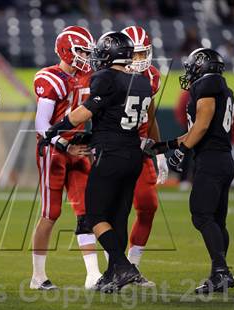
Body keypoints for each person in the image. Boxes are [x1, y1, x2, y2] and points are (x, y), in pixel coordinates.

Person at [39, 31, 152, 293]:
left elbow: (85, 112)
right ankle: (113, 274)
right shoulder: (143, 81)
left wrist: (56, 128)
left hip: (111, 155)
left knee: (94, 216)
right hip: (133, 153)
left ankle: (123, 267)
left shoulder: (106, 77)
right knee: (119, 217)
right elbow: (117, 117)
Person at [145, 48, 234, 294]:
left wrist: (182, 151)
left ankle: (221, 272)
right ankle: (220, 272)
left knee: (201, 215)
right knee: (216, 220)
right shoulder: (223, 88)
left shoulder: (208, 85)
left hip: (211, 160)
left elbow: (203, 124)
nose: (189, 72)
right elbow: (199, 128)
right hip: (223, 159)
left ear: (201, 66)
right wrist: (169, 145)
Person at [32, 25, 102, 290]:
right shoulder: (50, 77)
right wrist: (64, 145)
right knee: (51, 213)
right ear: (66, 50)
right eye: (81, 50)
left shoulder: (89, 76)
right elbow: (42, 123)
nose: (86, 56)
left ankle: (93, 275)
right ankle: (37, 277)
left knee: (86, 212)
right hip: (53, 150)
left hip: (79, 148)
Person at [121, 26, 168, 286]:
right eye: (135, 54)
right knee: (116, 210)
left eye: (143, 54)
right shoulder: (109, 76)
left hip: (140, 151)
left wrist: (159, 152)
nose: (140, 60)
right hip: (116, 149)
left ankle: (133, 268)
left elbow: (149, 116)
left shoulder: (152, 76)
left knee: (147, 206)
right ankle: (113, 268)